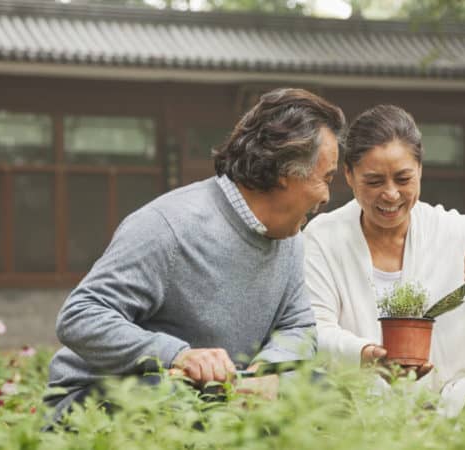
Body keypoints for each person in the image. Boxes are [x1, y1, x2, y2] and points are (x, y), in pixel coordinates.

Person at [45, 88, 345, 419]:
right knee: (182, 399)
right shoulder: (169, 225)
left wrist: (267, 372)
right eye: (326, 179)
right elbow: (80, 316)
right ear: (286, 172)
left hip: (219, 395)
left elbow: (298, 325)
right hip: (102, 396)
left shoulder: (289, 237)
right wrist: (179, 356)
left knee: (325, 392)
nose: (327, 196)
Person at [303, 104, 465, 417]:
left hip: (449, 402)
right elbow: (313, 331)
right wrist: (367, 355)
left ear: (419, 170)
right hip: (358, 404)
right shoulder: (324, 237)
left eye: (403, 179)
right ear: (349, 175)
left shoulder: (454, 234)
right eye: (374, 181)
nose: (390, 194)